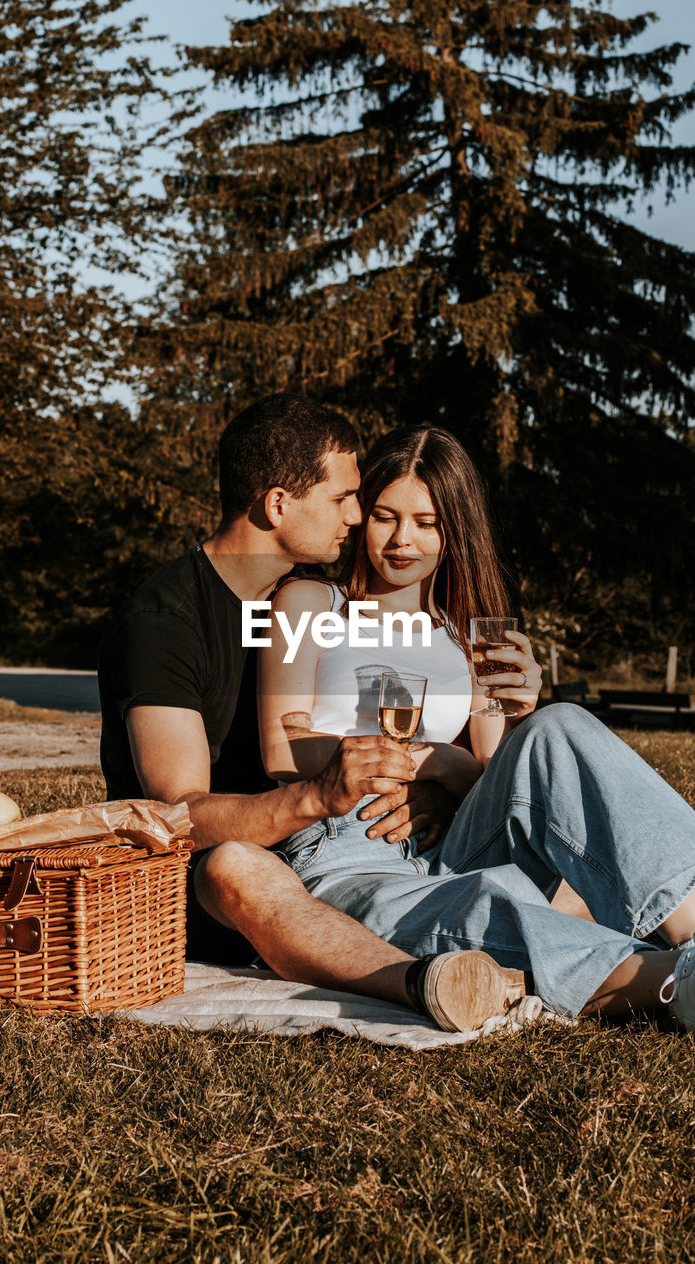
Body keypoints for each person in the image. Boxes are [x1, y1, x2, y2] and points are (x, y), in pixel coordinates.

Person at [258, 424, 695, 1042]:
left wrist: (517, 708)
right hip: (347, 848)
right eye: (383, 517)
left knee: (557, 724)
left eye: (427, 523)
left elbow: (493, 766)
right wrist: (427, 762)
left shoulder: (467, 632)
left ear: (455, 530)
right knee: (482, 903)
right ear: (361, 517)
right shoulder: (311, 604)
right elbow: (279, 748)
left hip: (451, 839)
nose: (403, 540)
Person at [97, 393, 527, 1034]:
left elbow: (449, 740)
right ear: (277, 505)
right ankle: (419, 982)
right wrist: (323, 795)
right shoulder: (166, 622)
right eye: (344, 500)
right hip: (213, 883)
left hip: (346, 843)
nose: (358, 518)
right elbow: (176, 813)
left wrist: (432, 785)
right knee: (235, 863)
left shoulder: (303, 605)